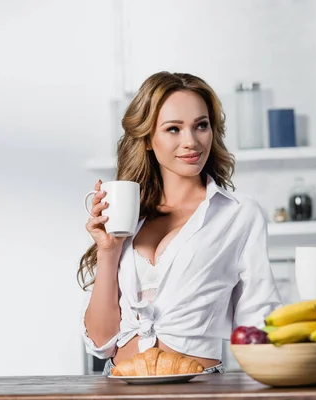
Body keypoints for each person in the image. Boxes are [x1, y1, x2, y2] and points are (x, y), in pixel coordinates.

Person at [78, 71, 281, 374]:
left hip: (198, 387)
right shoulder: (127, 216)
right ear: (148, 139)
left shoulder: (238, 215)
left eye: (201, 126)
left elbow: (258, 318)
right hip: (119, 384)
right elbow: (101, 342)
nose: (191, 142)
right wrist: (108, 251)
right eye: (173, 129)